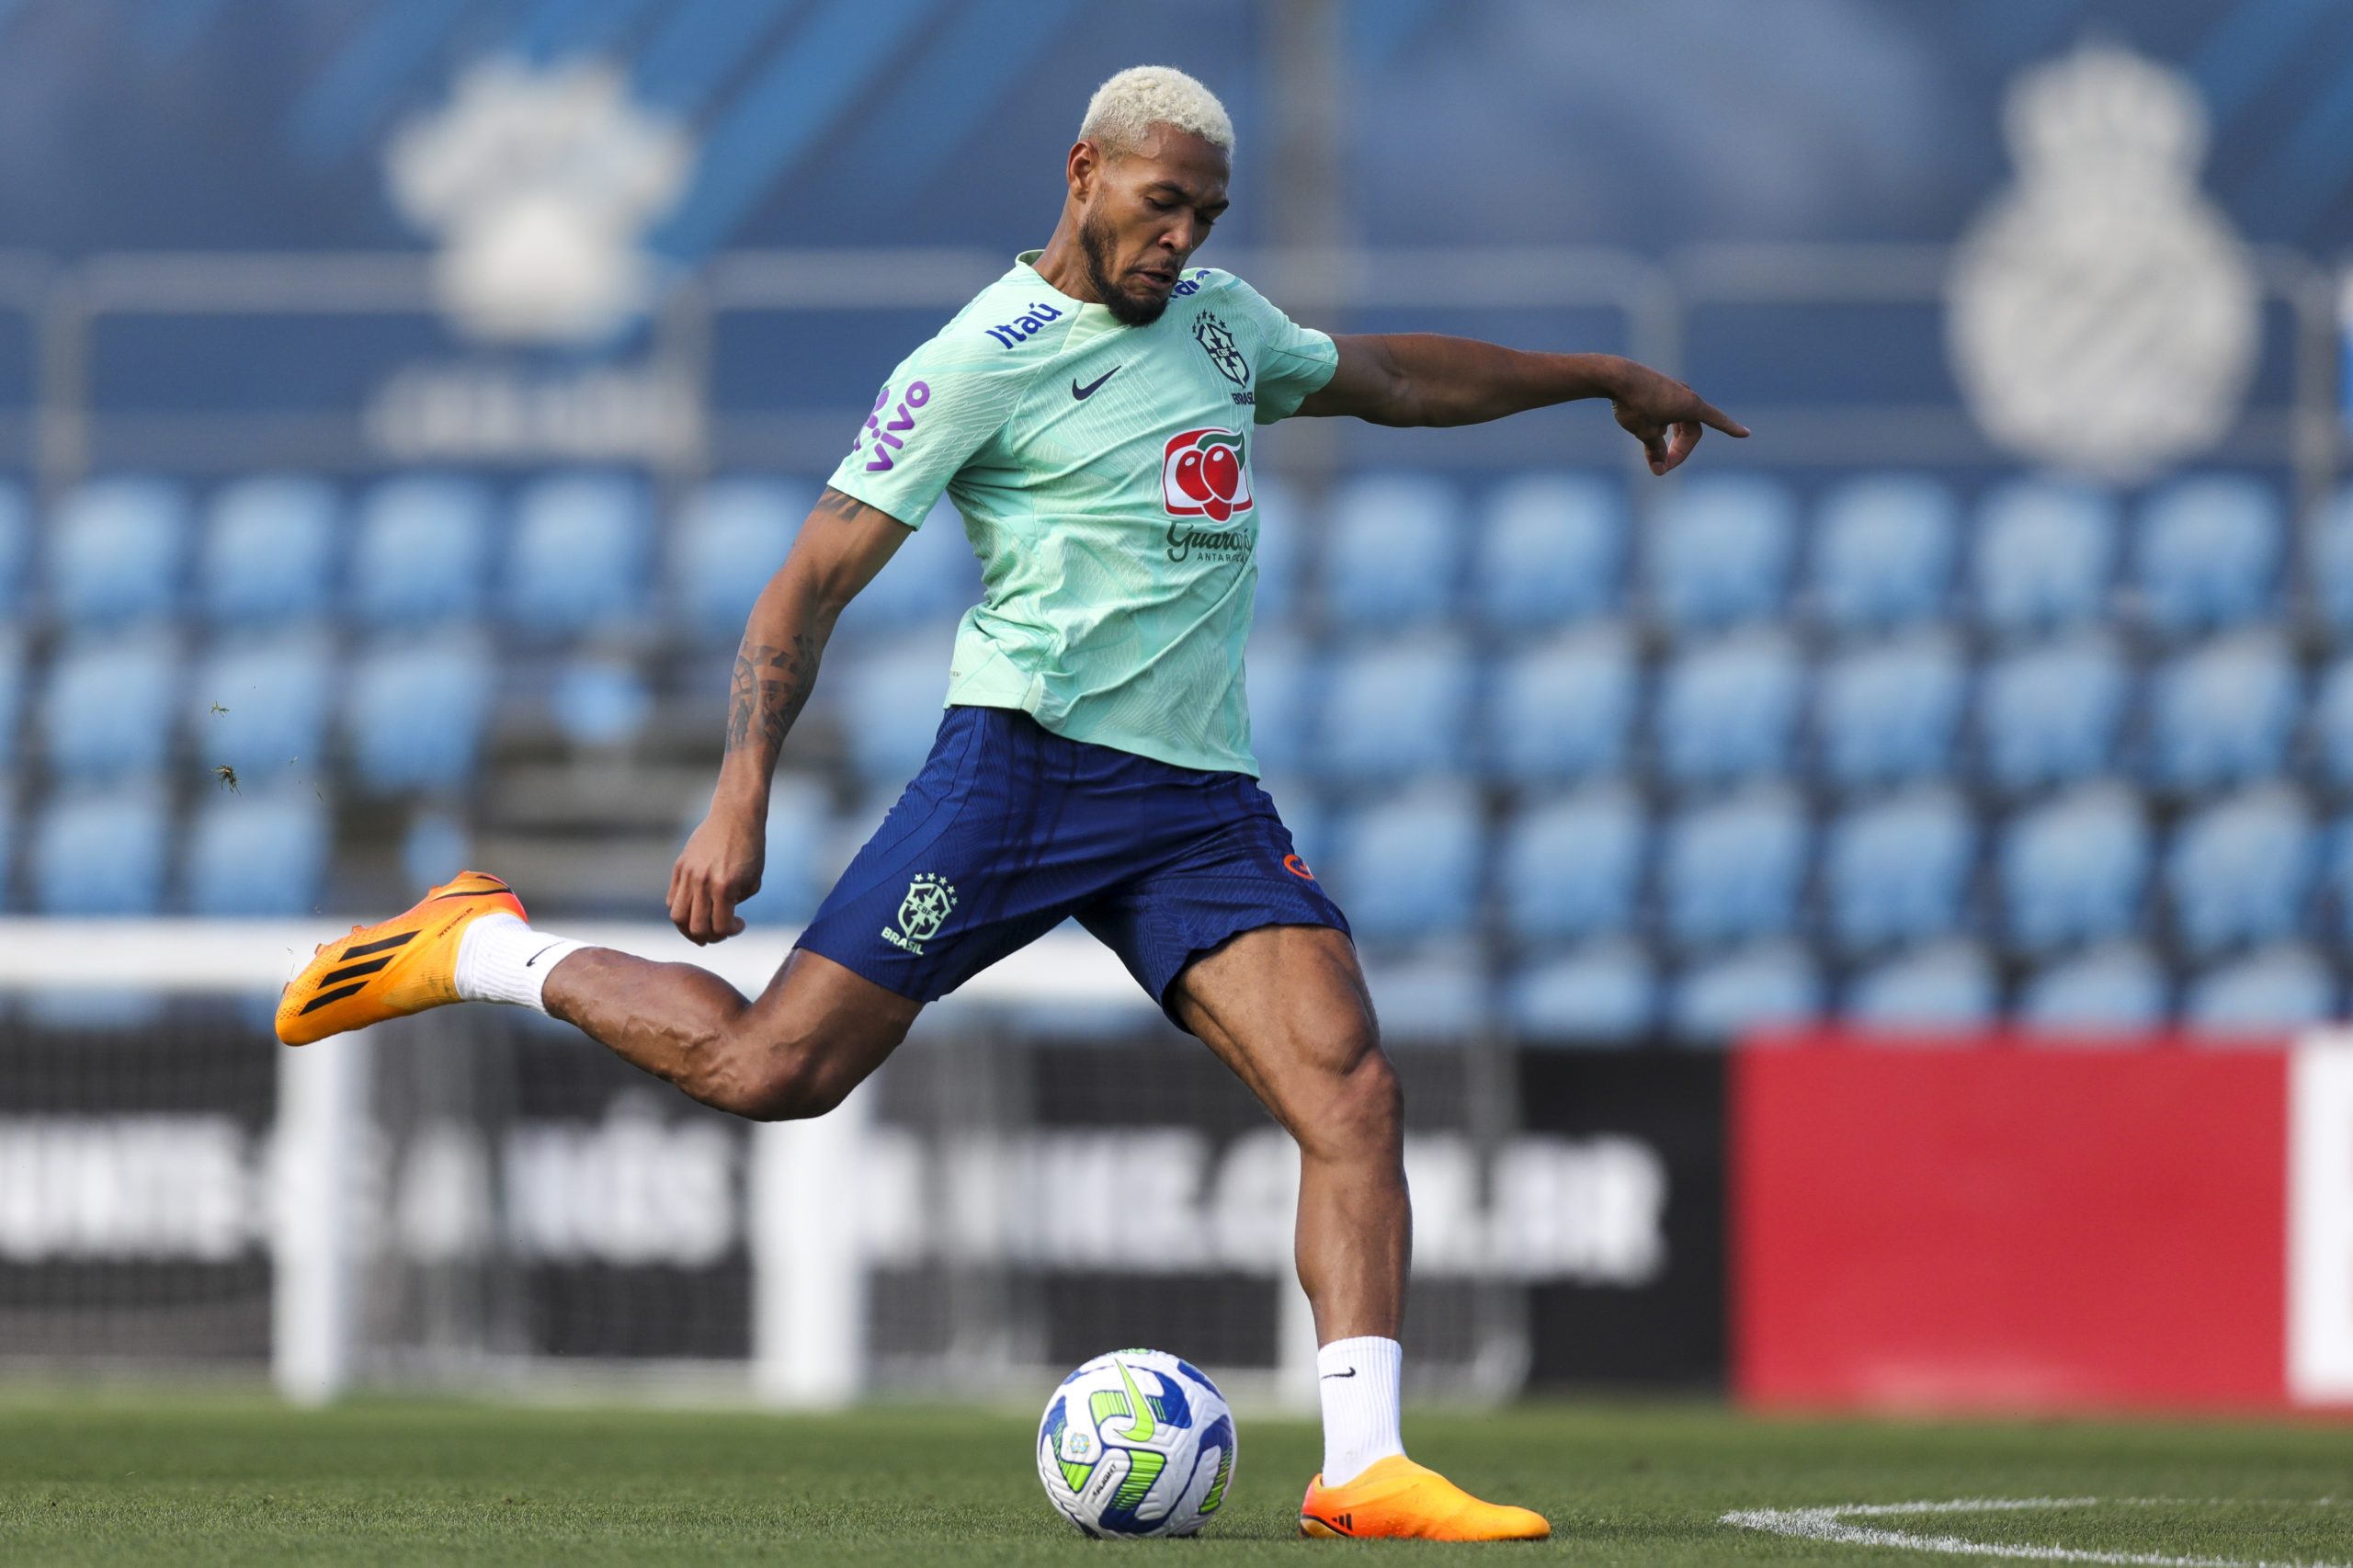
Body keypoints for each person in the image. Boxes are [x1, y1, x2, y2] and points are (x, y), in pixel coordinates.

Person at [278, 64, 1745, 1542]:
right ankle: (479, 946)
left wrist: (1606, 377)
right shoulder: (982, 355)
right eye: (1161, 202)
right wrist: (739, 793)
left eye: (1206, 214)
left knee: (1353, 1091)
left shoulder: (1230, 329)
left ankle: (1362, 1462)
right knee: (773, 1070)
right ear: (1084, 171)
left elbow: (1401, 380)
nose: (1181, 238)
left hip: (1197, 804)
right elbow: (814, 575)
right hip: (1021, 772)